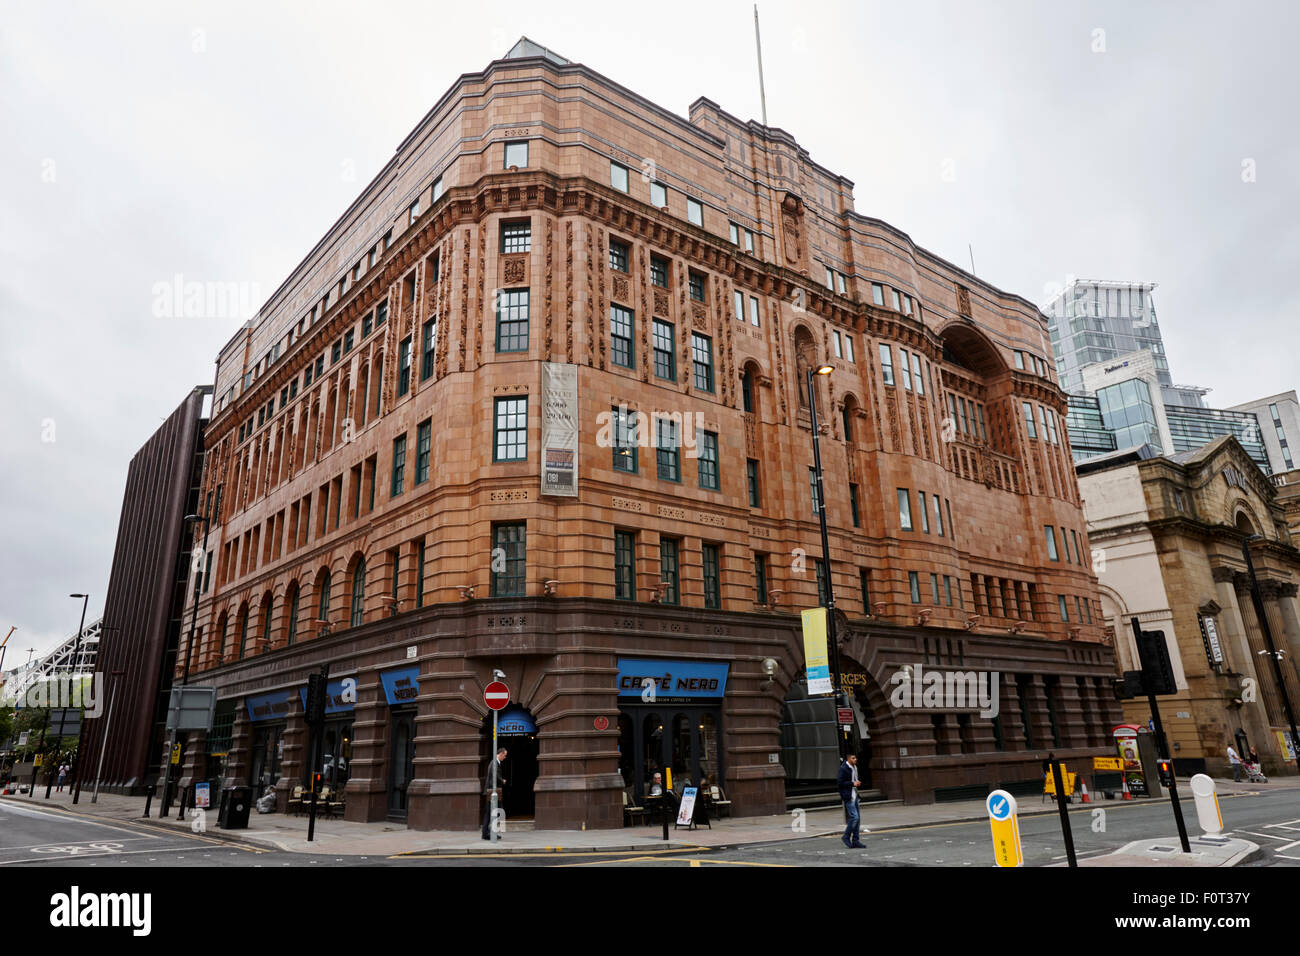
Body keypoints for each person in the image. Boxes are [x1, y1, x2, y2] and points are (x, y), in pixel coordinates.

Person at [837, 753, 865, 849]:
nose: (855, 759)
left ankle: (856, 840)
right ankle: (846, 836)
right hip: (848, 796)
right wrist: (853, 783)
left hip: (855, 796)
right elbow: (840, 783)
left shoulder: (855, 767)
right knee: (855, 817)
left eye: (855, 758)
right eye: (853, 758)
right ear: (848, 759)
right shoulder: (844, 768)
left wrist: (856, 783)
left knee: (858, 819)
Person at [481, 746, 507, 840]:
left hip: (493, 792)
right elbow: (494, 777)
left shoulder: (495, 762)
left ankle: (490, 832)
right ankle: (487, 833)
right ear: (500, 754)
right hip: (492, 792)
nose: (505, 757)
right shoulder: (494, 763)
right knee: (493, 813)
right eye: (504, 755)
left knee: (493, 813)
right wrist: (502, 781)